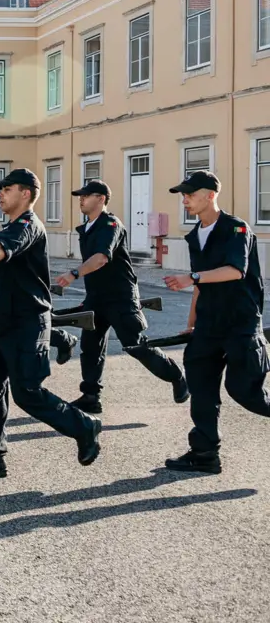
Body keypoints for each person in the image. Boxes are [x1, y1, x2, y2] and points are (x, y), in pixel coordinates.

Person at [0, 168, 101, 478]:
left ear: (26, 193)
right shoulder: (11, 226)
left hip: (26, 325)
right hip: (0, 323)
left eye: (7, 188)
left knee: (27, 393)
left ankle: (84, 426)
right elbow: (8, 272)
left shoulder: (27, 225)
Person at [161, 171, 268, 474]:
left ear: (209, 195)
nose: (185, 200)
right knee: (201, 387)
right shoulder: (195, 234)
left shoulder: (237, 229)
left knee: (245, 391)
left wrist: (192, 277)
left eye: (190, 195)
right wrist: (192, 321)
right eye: (183, 195)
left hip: (240, 324)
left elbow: (235, 270)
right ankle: (205, 453)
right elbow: (200, 285)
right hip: (208, 324)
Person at [52, 180, 188, 413]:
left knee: (136, 346)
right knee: (91, 347)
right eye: (80, 196)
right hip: (97, 297)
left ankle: (176, 375)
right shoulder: (87, 228)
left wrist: (74, 273)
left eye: (86, 195)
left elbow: (101, 258)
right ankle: (91, 396)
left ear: (102, 199)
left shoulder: (111, 225)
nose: (81, 199)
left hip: (121, 297)